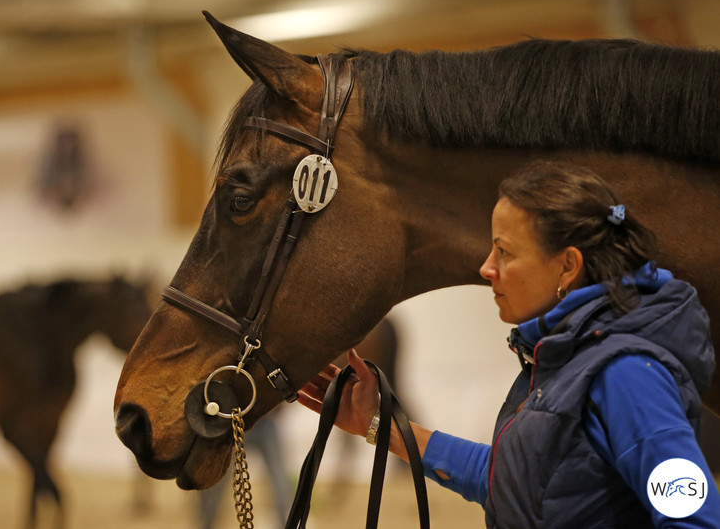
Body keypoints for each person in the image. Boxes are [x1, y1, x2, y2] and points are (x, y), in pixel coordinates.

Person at [297, 161, 720, 528]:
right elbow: (510, 481)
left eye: (504, 252)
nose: (486, 268)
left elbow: (695, 518)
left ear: (568, 265)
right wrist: (379, 424)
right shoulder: (559, 363)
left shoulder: (628, 377)